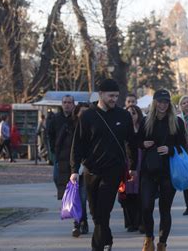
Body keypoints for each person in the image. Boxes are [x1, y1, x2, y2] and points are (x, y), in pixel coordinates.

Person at [71, 79, 138, 251]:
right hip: (91, 170)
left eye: (116, 96)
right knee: (95, 213)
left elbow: (131, 142)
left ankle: (97, 247)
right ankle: (107, 238)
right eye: (110, 96)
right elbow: (77, 144)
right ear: (100, 94)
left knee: (103, 210)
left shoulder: (123, 116)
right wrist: (74, 170)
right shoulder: (87, 116)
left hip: (113, 171)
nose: (114, 99)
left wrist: (133, 166)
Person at [139, 89, 187, 251]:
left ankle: (162, 243)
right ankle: (148, 238)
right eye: (159, 102)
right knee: (146, 206)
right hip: (149, 169)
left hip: (168, 171)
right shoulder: (146, 121)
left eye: (166, 102)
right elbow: (136, 141)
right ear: (154, 103)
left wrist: (171, 149)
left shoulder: (177, 122)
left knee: (164, 209)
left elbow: (183, 147)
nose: (162, 105)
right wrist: (142, 144)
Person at [56, 103, 90, 237]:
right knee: (75, 196)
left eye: (87, 112)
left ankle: (82, 222)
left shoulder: (92, 127)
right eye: (82, 112)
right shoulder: (68, 127)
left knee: (82, 197)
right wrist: (60, 161)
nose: (84, 115)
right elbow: (59, 145)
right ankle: (78, 223)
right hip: (71, 168)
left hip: (87, 167)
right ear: (76, 114)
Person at [119, 105, 144, 233]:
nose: (131, 116)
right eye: (129, 113)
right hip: (125, 163)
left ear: (138, 115)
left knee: (140, 194)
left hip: (140, 163)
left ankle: (141, 222)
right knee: (126, 195)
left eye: (134, 113)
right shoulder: (121, 128)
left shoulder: (142, 128)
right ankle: (130, 222)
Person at [49, 95, 75, 189]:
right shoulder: (56, 118)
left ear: (73, 104)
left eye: (69, 102)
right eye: (64, 102)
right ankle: (66, 195)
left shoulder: (76, 118)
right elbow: (50, 134)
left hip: (73, 153)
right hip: (59, 153)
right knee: (57, 177)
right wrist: (53, 149)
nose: (67, 105)